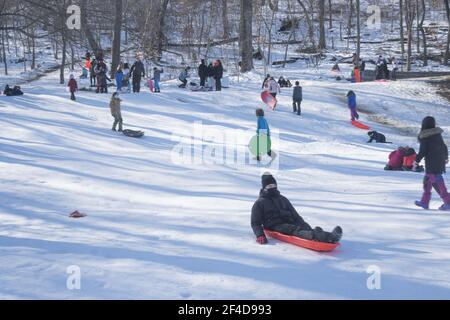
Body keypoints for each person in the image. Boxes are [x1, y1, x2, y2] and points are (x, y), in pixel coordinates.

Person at [251, 173, 343, 245]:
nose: (272, 188)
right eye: (269, 186)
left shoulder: (283, 199)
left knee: (302, 226)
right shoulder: (260, 203)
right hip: (275, 225)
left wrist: (305, 226)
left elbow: (295, 215)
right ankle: (315, 235)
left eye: (273, 186)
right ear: (264, 188)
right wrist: (260, 234)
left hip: (289, 221)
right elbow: (255, 222)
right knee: (293, 229)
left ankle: (331, 236)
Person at [414, 117, 450, 211]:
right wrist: (446, 157)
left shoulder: (425, 136)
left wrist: (416, 161)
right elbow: (444, 147)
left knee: (438, 183)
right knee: (427, 181)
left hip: (432, 164)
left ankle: (448, 202)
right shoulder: (437, 135)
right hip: (439, 162)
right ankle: (424, 202)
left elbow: (422, 151)